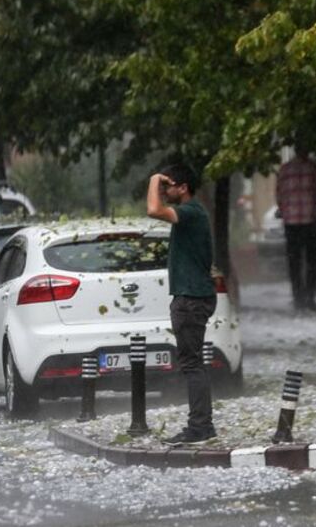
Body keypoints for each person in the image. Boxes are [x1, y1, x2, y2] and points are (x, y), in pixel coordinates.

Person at [146, 164, 217, 445]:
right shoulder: (192, 214)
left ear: (183, 187)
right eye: (162, 186)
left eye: (168, 185)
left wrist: (153, 179)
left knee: (192, 364)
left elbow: (153, 209)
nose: (164, 191)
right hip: (193, 297)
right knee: (193, 362)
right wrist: (162, 182)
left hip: (191, 299)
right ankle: (201, 424)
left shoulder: (190, 212)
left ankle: (200, 426)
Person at [276, 145, 316, 311]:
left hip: (291, 222)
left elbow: (279, 195)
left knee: (294, 261)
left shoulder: (284, 170)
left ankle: (297, 297)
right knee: (313, 260)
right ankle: (310, 297)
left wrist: (284, 210)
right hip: (312, 220)